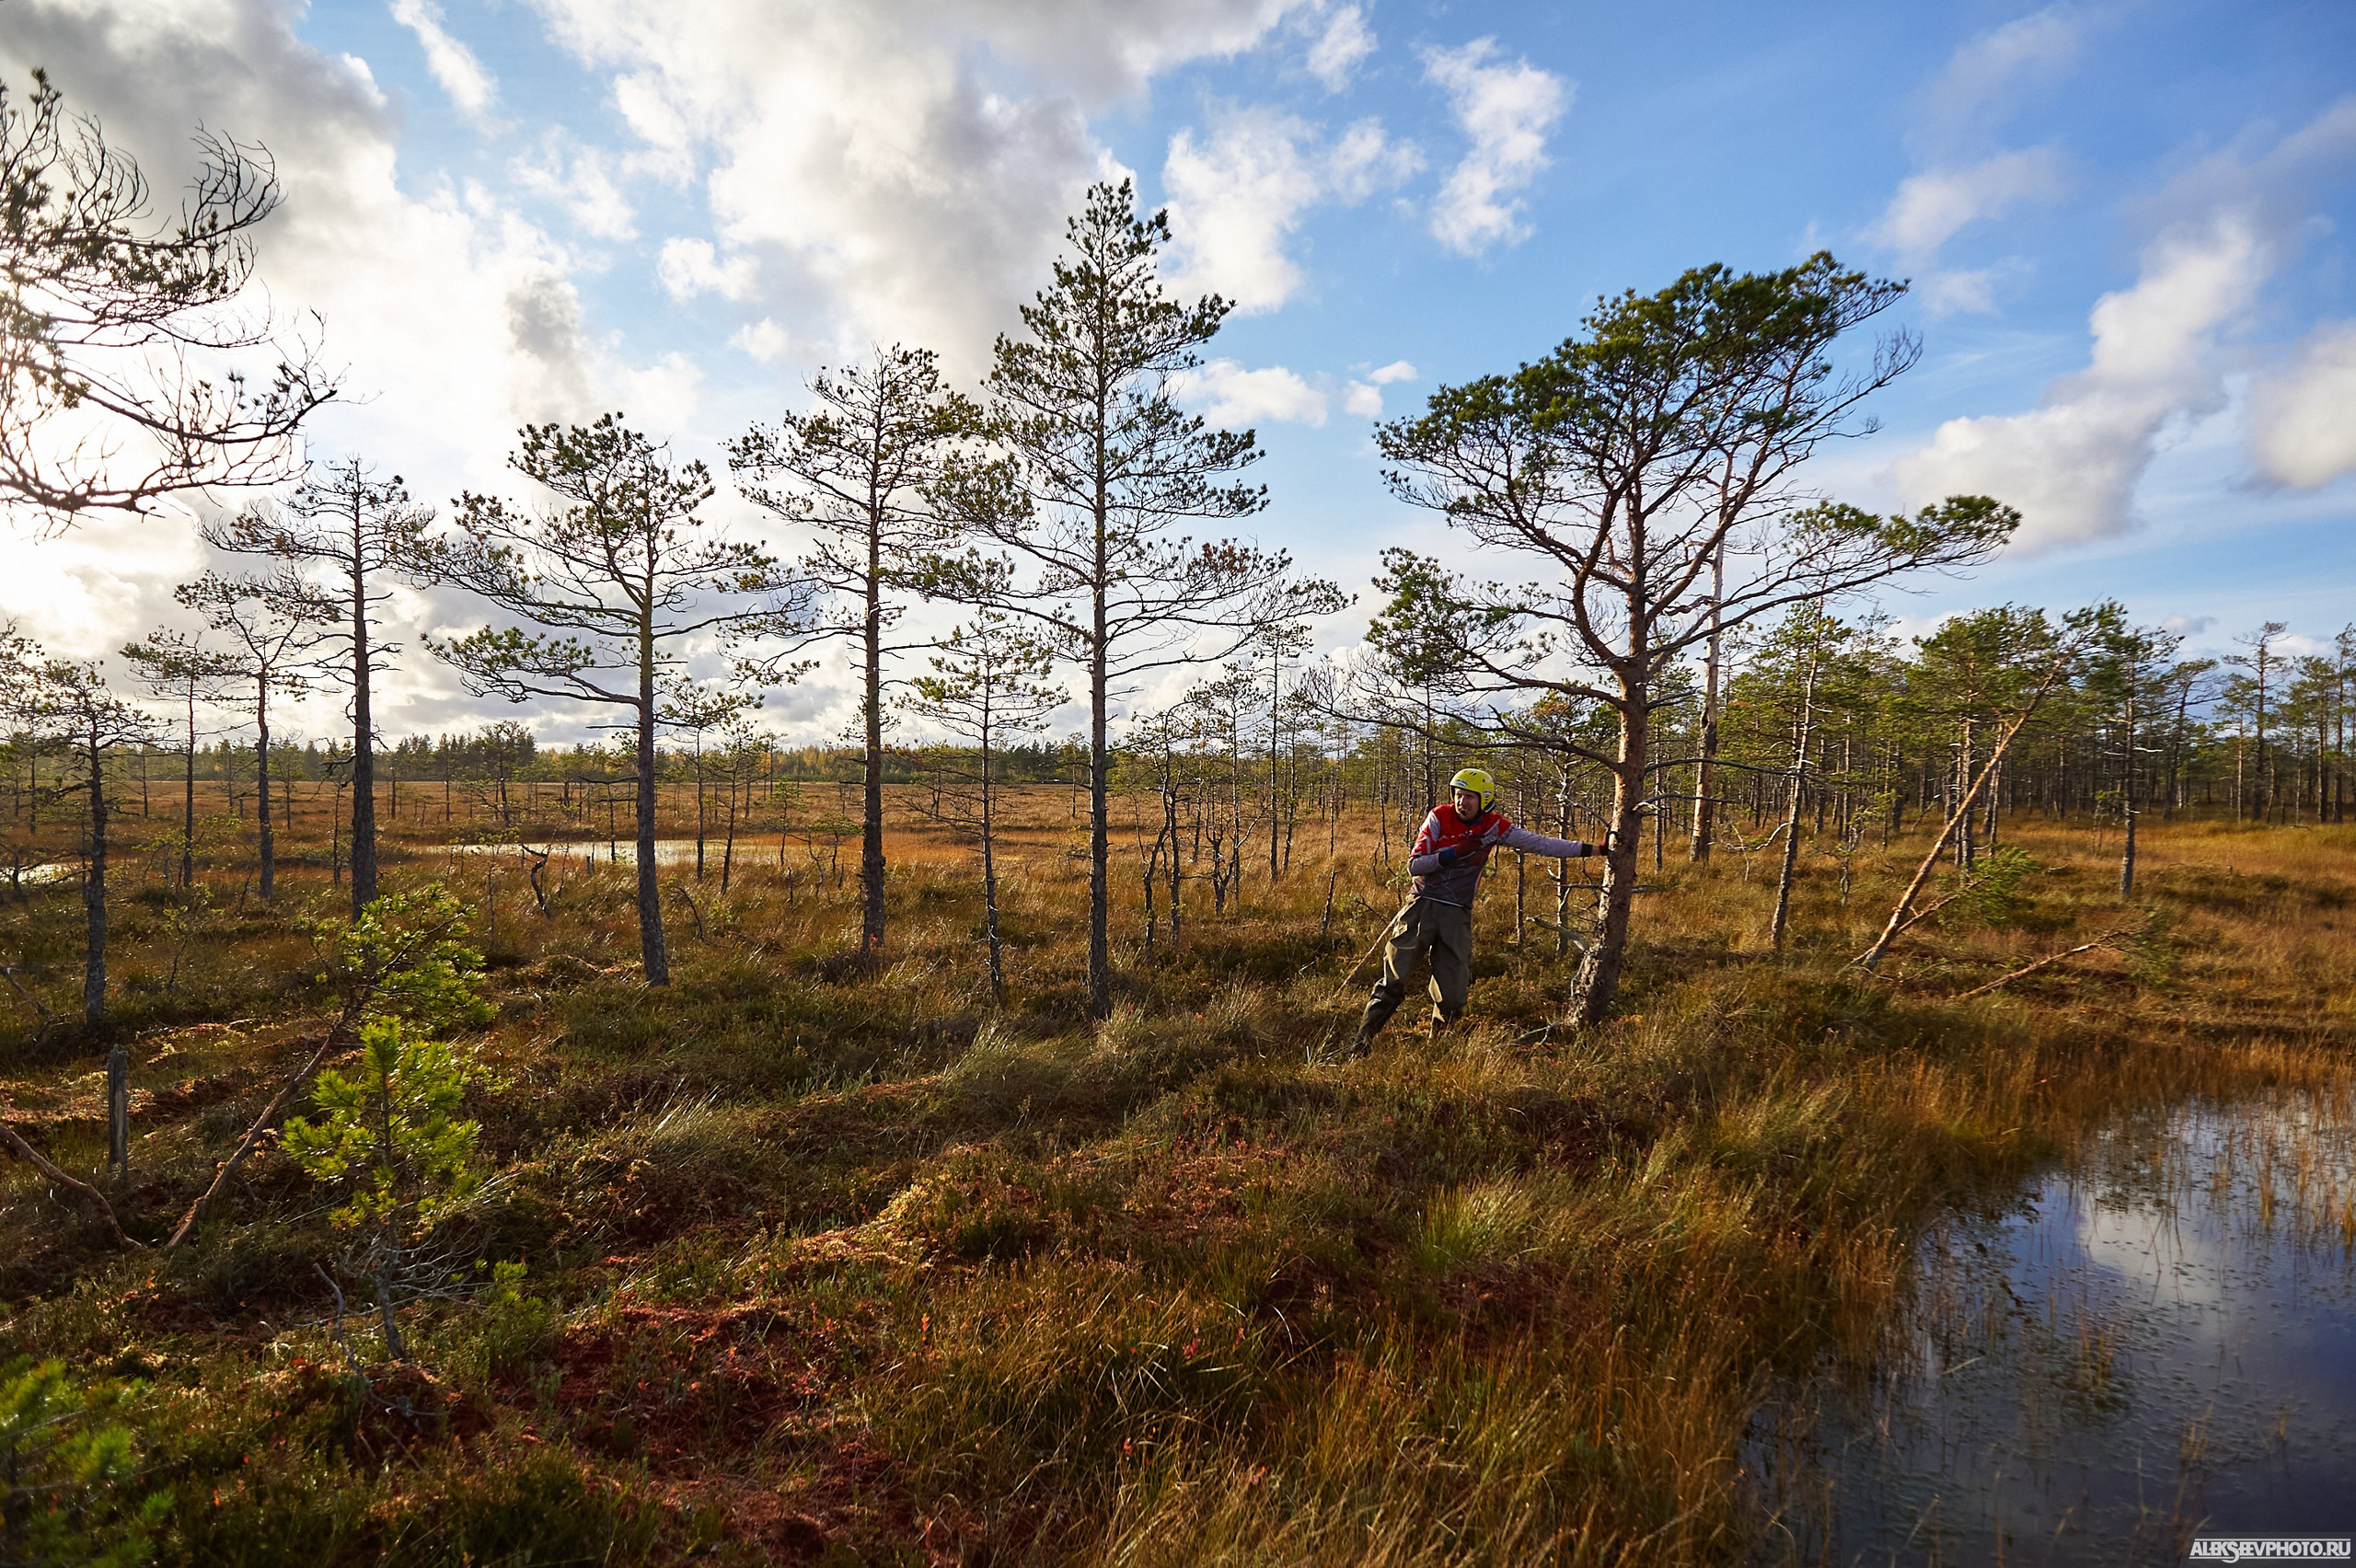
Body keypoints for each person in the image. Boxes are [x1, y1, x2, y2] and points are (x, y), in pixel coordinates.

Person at [1349, 766, 1600, 1054]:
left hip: (1457, 914)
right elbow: (1414, 866)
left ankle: (1437, 1049)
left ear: (1484, 800)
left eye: (1470, 797)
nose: (1462, 802)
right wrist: (1454, 852)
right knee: (1393, 982)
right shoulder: (1439, 817)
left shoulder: (1493, 827)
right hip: (1421, 907)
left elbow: (1541, 844)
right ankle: (1361, 1045)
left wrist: (1594, 849)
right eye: (1458, 795)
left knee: (1453, 996)